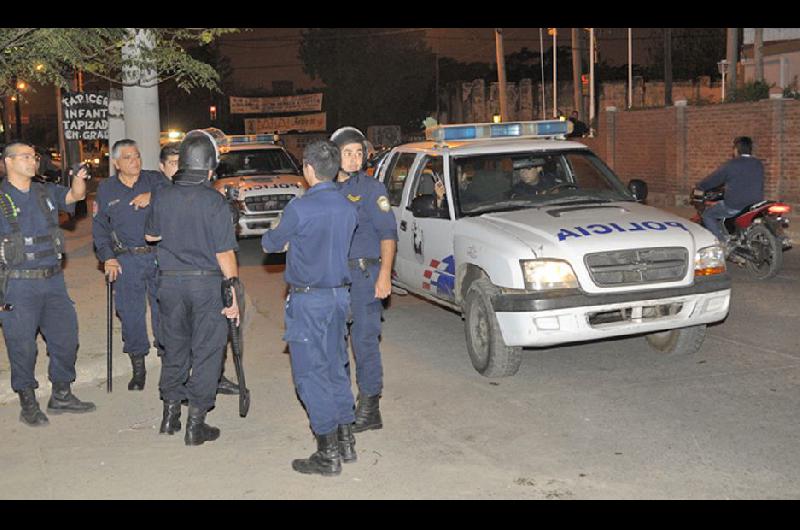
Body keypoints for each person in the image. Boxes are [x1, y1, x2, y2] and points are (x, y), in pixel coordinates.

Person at [262, 140, 358, 476]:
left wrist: (284, 237)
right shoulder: (348, 207)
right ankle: (347, 442)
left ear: (307, 169)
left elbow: (271, 243)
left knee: (310, 376)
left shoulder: (300, 208)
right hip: (339, 298)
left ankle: (327, 453)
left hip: (309, 301)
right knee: (336, 368)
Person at [145, 130, 239, 446]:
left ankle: (170, 415)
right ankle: (195, 425)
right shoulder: (215, 201)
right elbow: (224, 253)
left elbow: (151, 237)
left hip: (169, 283)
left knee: (175, 347)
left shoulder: (162, 196)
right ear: (210, 168)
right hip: (205, 284)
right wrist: (234, 293)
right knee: (207, 351)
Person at [0, 141, 95, 426]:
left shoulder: (45, 191)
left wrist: (79, 179)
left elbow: (76, 196)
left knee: (66, 339)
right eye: (26, 157)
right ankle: (28, 401)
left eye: (35, 156)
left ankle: (62, 394)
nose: (33, 161)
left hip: (53, 281)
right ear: (8, 162)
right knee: (22, 346)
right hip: (17, 285)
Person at [330, 126, 398, 433]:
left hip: (364, 275)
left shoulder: (372, 189)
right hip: (333, 277)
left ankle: (370, 407)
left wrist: (384, 275)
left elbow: (388, 234)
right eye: (347, 153)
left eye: (359, 153)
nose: (355, 159)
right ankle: (340, 403)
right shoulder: (324, 189)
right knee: (332, 344)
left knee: (365, 342)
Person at [93, 139, 169, 391]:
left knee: (165, 311)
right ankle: (138, 367)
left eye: (137, 156)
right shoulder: (106, 189)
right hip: (126, 259)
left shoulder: (155, 181)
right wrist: (107, 257)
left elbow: (178, 194)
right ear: (116, 163)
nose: (134, 161)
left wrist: (154, 196)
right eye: (128, 157)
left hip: (159, 255)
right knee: (130, 314)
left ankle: (168, 361)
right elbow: (100, 228)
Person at [696, 136, 764, 243]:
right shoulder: (758, 164)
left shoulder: (732, 164)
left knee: (707, 215)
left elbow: (714, 179)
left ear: (736, 149)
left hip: (735, 205)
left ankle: (723, 242)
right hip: (755, 205)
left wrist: (700, 186)